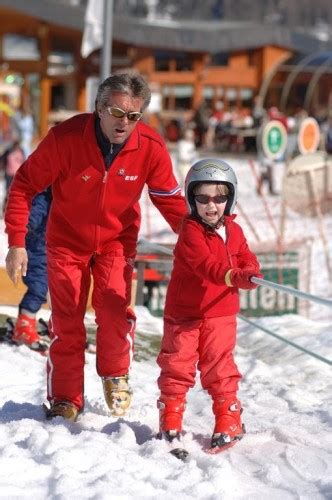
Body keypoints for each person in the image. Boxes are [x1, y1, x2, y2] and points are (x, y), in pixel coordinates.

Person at [5, 71, 187, 422]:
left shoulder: (149, 146)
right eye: (117, 113)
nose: (124, 123)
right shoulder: (66, 138)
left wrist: (199, 240)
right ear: (99, 109)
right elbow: (24, 186)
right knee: (68, 321)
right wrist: (17, 243)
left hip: (116, 242)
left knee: (115, 312)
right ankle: (65, 397)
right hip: (66, 243)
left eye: (133, 116)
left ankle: (116, 373)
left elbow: (170, 201)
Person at [156, 158, 262, 451]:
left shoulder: (235, 231)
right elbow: (206, 266)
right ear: (192, 199)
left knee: (219, 366)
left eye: (219, 197)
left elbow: (245, 256)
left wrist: (251, 269)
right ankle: (171, 419)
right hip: (185, 314)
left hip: (221, 313)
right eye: (202, 197)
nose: (211, 205)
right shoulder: (190, 231)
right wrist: (233, 276)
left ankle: (228, 418)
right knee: (177, 365)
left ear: (230, 198)